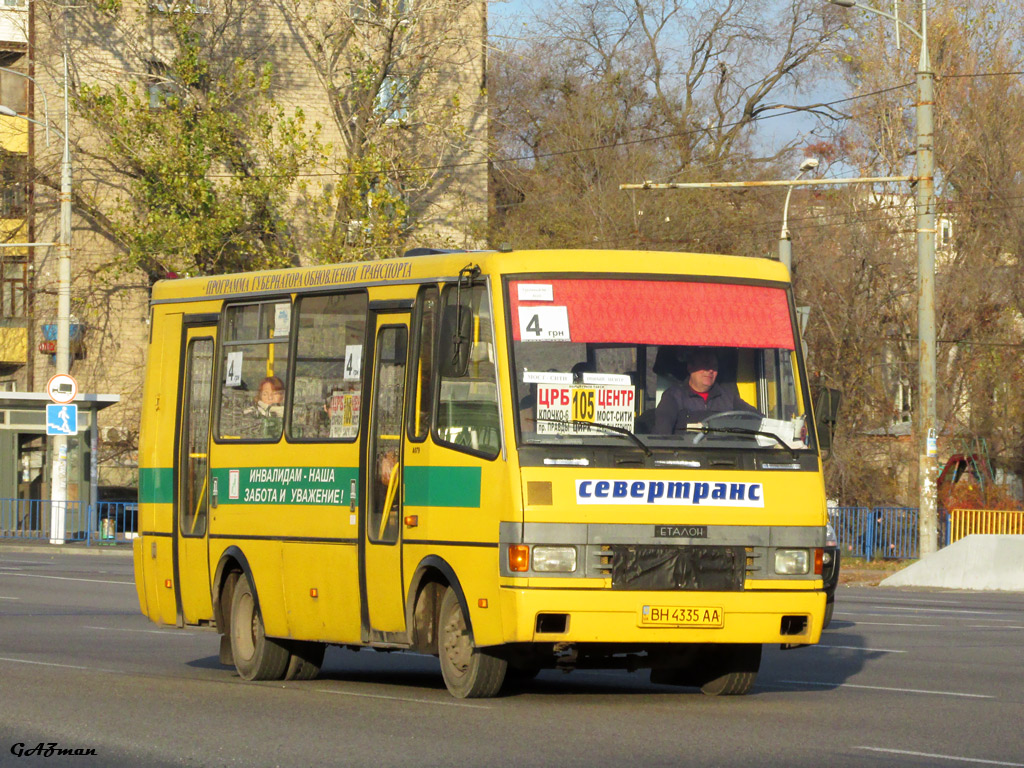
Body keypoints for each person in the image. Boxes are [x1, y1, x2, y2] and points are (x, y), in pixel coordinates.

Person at [652, 348, 760, 434]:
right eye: (705, 365)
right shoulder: (673, 397)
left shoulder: (728, 397)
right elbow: (661, 436)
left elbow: (756, 418)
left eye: (714, 366)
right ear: (690, 367)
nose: (710, 371)